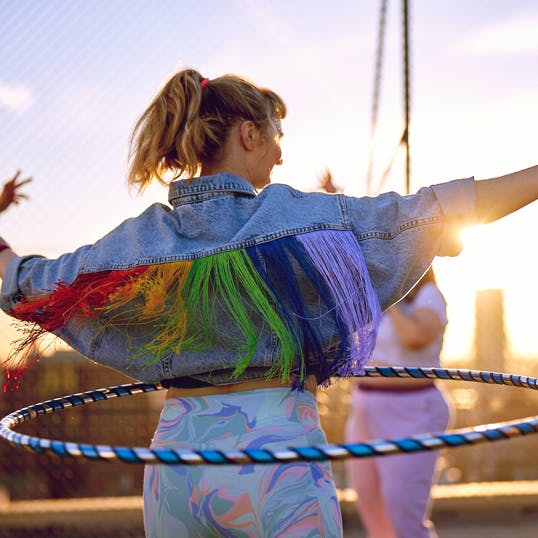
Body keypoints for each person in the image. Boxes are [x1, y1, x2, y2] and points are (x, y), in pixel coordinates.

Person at [0, 68, 536, 537]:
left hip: (176, 463)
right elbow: (430, 212)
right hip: (276, 455)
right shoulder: (295, 217)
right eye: (277, 136)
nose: (281, 153)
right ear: (249, 133)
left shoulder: (140, 241)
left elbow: (26, 282)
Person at [345, 267, 450, 538]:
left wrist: (390, 298)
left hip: (413, 410)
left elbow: (414, 336)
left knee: (402, 510)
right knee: (371, 505)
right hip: (365, 407)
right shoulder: (368, 299)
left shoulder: (428, 295)